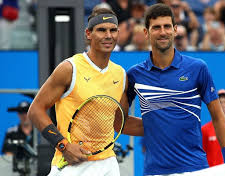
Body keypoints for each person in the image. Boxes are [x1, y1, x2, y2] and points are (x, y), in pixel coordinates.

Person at [27, 7, 143, 176]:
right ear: (88, 34)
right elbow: (35, 110)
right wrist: (63, 146)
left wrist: (164, 125)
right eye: (101, 30)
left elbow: (118, 123)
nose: (108, 35)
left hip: (109, 164)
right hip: (72, 164)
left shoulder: (120, 75)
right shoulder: (69, 68)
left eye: (112, 30)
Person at [127, 4, 225, 175]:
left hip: (195, 169)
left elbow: (218, 117)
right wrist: (154, 126)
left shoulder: (198, 68)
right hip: (154, 171)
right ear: (146, 32)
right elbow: (119, 122)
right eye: (156, 27)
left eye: (167, 26)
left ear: (175, 30)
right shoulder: (134, 75)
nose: (162, 32)